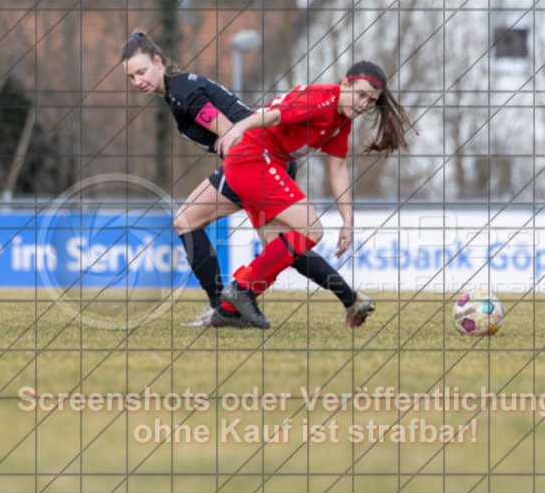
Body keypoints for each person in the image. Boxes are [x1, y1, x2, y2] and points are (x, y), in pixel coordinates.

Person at [120, 29, 368, 328]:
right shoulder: (179, 90)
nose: (138, 81)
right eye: (132, 77)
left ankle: (221, 308)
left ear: (159, 61)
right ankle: (350, 299)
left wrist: (247, 169)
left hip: (253, 158)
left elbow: (231, 134)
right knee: (282, 244)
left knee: (187, 220)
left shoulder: (182, 93)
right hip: (265, 158)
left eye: (142, 71)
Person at [216, 60, 417, 329]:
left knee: (282, 248)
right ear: (345, 83)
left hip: (261, 164)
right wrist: (241, 126)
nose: (364, 104)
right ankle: (241, 289)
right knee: (311, 230)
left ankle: (227, 313)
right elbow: (275, 114)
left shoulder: (341, 121)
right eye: (360, 94)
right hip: (252, 158)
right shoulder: (320, 99)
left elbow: (338, 169)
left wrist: (348, 220)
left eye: (371, 100)